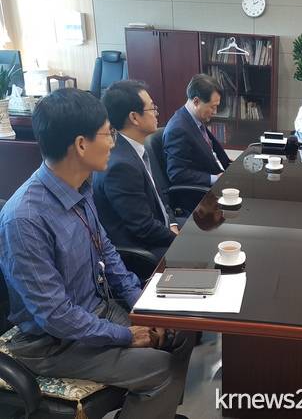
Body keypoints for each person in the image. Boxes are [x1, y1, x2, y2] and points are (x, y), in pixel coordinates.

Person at [0, 88, 192, 419]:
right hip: (54, 343)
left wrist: (142, 306)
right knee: (164, 369)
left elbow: (108, 253)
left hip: (97, 313)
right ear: (81, 144)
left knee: (180, 329)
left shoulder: (81, 187)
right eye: (108, 134)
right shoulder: (25, 219)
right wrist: (125, 335)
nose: (114, 143)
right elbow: (56, 316)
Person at [93, 80, 179, 260]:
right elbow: (144, 228)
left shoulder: (137, 148)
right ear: (134, 117)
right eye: (152, 108)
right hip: (144, 251)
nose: (156, 113)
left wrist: (172, 223)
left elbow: (159, 196)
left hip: (161, 228)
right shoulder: (121, 166)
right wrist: (179, 239)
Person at [163, 74, 231, 187]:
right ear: (196, 102)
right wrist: (215, 179)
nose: (215, 112)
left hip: (220, 175)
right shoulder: (178, 130)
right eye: (212, 107)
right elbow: (177, 173)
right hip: (203, 192)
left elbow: (211, 153)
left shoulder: (196, 119)